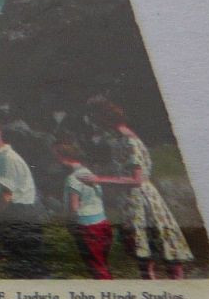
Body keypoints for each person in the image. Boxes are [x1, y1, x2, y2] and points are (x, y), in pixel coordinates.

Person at [85, 96, 194, 279]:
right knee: (144, 258)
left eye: (97, 119)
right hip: (130, 203)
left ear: (106, 118)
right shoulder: (119, 141)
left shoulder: (129, 141)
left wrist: (100, 179)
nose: (96, 124)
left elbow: (137, 180)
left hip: (143, 201)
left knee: (167, 254)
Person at [0, 117, 47, 278]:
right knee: (17, 270)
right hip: (12, 215)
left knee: (31, 272)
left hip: (23, 217)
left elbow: (6, 195)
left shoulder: (8, 158)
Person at [53, 141, 114, 279]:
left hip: (88, 228)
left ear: (63, 157)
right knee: (103, 265)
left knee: (97, 270)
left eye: (56, 156)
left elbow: (74, 208)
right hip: (103, 223)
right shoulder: (89, 173)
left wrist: (66, 221)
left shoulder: (72, 179)